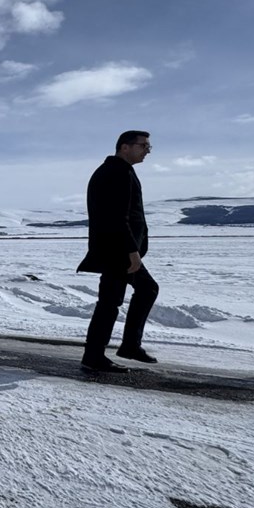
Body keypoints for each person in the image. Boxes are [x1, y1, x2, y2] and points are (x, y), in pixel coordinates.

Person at [77, 130, 159, 373]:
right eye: (143, 145)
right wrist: (132, 250)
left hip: (117, 249)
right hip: (118, 251)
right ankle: (96, 355)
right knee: (114, 301)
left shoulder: (118, 171)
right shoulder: (117, 172)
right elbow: (117, 217)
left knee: (132, 294)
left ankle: (127, 346)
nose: (147, 150)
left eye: (149, 146)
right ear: (125, 147)